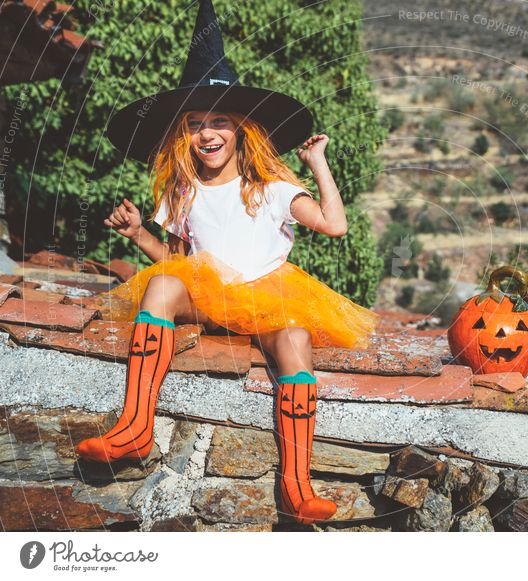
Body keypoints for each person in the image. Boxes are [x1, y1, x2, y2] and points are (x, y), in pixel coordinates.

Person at [74, 0, 379, 526]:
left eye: (220, 122)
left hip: (266, 292)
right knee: (165, 284)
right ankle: (135, 425)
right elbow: (177, 259)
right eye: (195, 124)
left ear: (242, 129)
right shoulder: (184, 190)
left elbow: (335, 224)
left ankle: (297, 485)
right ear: (183, 134)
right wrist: (138, 233)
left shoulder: (273, 188)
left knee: (295, 340)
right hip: (209, 294)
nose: (207, 133)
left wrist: (318, 163)